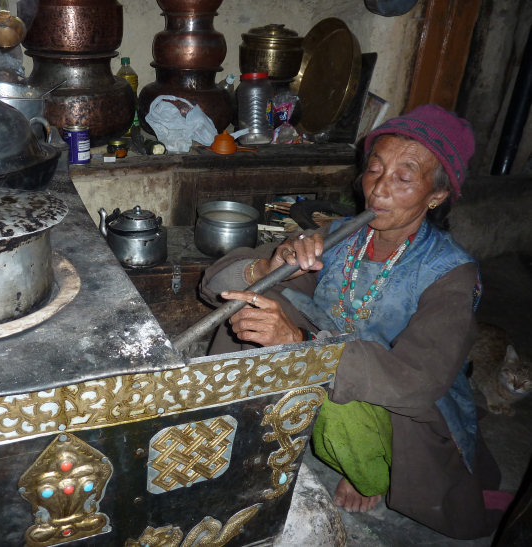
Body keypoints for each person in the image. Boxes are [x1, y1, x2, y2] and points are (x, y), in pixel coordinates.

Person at [199, 104, 511, 539]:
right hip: (329, 357)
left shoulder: (450, 273)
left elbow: (416, 381)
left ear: (436, 195)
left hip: (401, 406)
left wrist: (301, 342)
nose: (378, 190)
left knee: (339, 407)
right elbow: (225, 289)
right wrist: (271, 265)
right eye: (375, 170)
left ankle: (370, 473)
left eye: (403, 179)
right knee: (255, 308)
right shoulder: (344, 235)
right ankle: (227, 427)